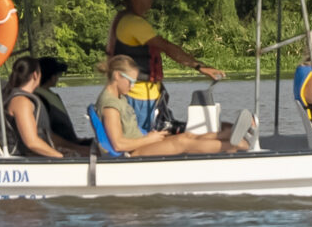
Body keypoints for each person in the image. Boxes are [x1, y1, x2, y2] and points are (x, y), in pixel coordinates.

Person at [109, 0, 225, 132]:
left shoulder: (122, 18)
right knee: (147, 139)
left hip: (148, 95)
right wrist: (199, 66)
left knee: (165, 132)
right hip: (140, 98)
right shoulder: (133, 23)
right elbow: (167, 47)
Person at [91, 53, 248, 156]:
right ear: (118, 76)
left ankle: (231, 134)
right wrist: (149, 139)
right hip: (133, 152)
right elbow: (118, 144)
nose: (133, 86)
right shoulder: (110, 105)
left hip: (139, 143)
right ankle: (233, 147)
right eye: (131, 81)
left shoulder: (119, 98)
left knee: (187, 135)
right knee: (182, 143)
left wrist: (151, 137)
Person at [3, 55, 88, 158]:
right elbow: (32, 142)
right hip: (24, 157)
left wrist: (75, 148)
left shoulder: (21, 98)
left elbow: (44, 134)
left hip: (37, 154)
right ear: (35, 75)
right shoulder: (21, 102)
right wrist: (61, 157)